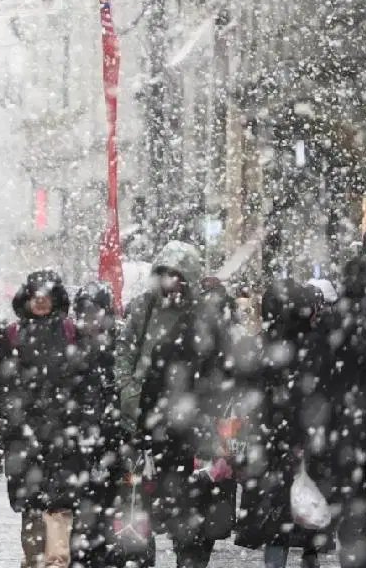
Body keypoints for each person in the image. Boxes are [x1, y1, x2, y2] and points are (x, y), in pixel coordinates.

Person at [114, 240, 236, 568]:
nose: (171, 282)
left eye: (177, 275)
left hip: (194, 428)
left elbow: (224, 366)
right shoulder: (143, 309)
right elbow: (125, 357)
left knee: (193, 509)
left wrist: (212, 410)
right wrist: (132, 400)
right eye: (165, 274)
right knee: (141, 508)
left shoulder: (206, 315)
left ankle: (190, 557)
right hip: (150, 423)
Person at [0, 270, 111, 568]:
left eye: (46, 297)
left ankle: (56, 563)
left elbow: (88, 384)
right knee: (31, 510)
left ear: (56, 299)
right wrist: (8, 422)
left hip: (63, 437)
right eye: (36, 296)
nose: (41, 302)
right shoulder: (13, 335)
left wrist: (83, 423)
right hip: (25, 437)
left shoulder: (71, 333)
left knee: (59, 509)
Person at [233, 280, 331, 568]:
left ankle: (280, 561)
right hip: (304, 441)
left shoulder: (260, 345)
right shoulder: (313, 346)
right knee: (306, 513)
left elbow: (246, 393)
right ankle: (307, 557)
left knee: (277, 521)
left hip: (271, 443)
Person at [305, 256, 366, 568]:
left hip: (344, 426)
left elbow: (320, 378)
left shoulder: (333, 324)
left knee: (351, 499)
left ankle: (353, 553)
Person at [69, 282, 132, 568]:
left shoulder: (121, 346)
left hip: (114, 441)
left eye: (95, 312)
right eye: (84, 313)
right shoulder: (72, 347)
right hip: (79, 445)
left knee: (115, 512)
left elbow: (129, 389)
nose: (90, 320)